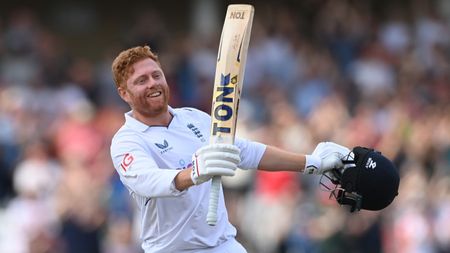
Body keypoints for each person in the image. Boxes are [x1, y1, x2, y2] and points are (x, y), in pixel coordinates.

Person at [109, 45, 350, 253]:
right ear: (124, 93)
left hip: (223, 245)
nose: (153, 83)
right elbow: (148, 181)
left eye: (156, 75)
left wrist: (311, 163)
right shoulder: (126, 141)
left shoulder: (194, 118)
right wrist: (193, 173)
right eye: (141, 80)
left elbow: (245, 152)